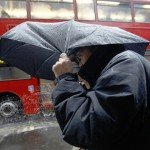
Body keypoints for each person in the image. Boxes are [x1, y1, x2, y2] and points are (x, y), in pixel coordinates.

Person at [51, 44, 150, 150]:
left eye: (79, 56)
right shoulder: (116, 66)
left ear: (95, 48)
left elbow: (89, 129)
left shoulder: (126, 63)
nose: (80, 64)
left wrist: (65, 79)